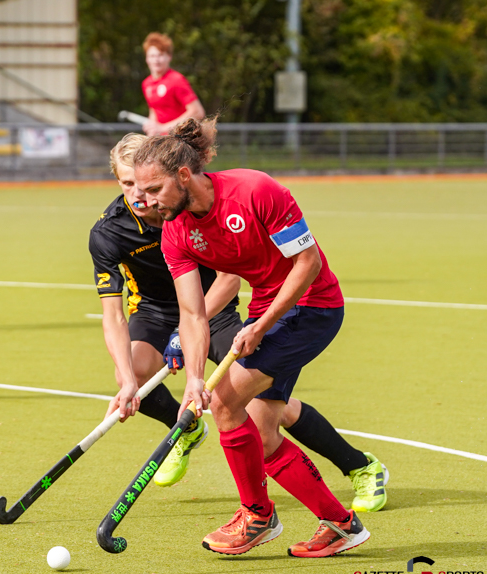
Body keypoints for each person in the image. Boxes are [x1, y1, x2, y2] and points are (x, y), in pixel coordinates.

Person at [94, 133, 388, 511]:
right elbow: (187, 313)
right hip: (237, 311)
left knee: (232, 405)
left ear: (180, 175)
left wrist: (259, 326)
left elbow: (297, 265)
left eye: (150, 187)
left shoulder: (244, 192)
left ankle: (266, 512)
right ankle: (347, 492)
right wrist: (191, 379)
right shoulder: (162, 229)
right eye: (129, 185)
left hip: (293, 306)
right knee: (260, 428)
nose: (141, 198)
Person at [140, 33, 205, 137]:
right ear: (147, 59)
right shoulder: (146, 84)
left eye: (160, 55)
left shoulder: (176, 80)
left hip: (181, 140)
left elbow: (197, 112)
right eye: (152, 56)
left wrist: (163, 128)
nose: (156, 60)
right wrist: (152, 130)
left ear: (169, 57)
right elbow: (154, 111)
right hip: (162, 141)